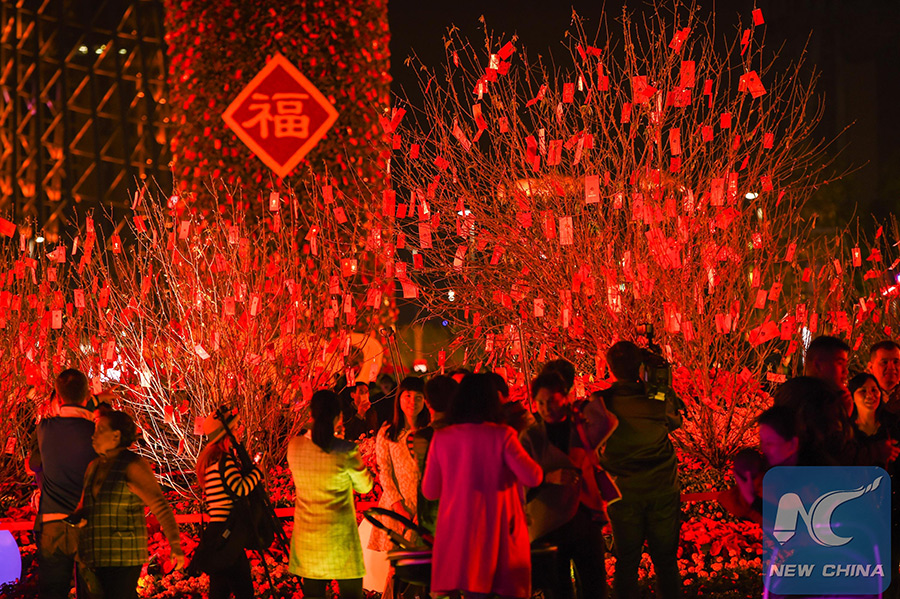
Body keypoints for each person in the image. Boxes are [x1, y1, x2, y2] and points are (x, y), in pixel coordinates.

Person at [422, 373, 543, 599]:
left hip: (460, 538)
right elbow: (533, 477)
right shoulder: (503, 435)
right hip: (499, 535)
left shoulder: (442, 437)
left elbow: (430, 491)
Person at [520, 371, 614, 599]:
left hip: (585, 516)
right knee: (558, 590)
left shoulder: (580, 427)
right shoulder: (531, 437)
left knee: (594, 588)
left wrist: (587, 405)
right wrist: (548, 477)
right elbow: (521, 478)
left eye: (552, 401)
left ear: (565, 398)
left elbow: (606, 421)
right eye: (541, 403)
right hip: (549, 523)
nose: (546, 408)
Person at [73, 408, 184, 599]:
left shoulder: (132, 465)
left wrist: (174, 543)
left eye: (100, 430)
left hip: (123, 556)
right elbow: (84, 508)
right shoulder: (94, 466)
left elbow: (159, 504)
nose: (93, 435)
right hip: (94, 555)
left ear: (116, 436)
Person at [601, 341, 681, 599]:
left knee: (626, 560)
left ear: (609, 368)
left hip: (622, 492)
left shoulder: (602, 403)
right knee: (666, 560)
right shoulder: (657, 399)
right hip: (662, 489)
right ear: (640, 367)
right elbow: (675, 420)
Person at [287, 390, 373, 599]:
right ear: (339, 417)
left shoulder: (294, 446)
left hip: (308, 540)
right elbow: (365, 486)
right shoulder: (345, 450)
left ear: (311, 414)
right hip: (340, 539)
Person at [30, 369, 97, 599]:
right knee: (92, 592)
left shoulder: (44, 430)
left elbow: (35, 463)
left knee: (52, 592)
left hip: (52, 524)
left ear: (58, 398)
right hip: (89, 524)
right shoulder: (97, 432)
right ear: (87, 396)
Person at [193, 409, 263, 599]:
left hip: (217, 532)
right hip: (229, 531)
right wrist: (257, 472)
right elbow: (239, 488)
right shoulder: (225, 460)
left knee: (220, 588)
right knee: (243, 588)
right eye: (235, 428)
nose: (238, 431)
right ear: (226, 434)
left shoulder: (211, 461)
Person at [368, 376, 429, 552]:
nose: (412, 402)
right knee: (397, 561)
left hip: (424, 506)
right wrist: (399, 509)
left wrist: (425, 509)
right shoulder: (387, 432)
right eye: (408, 396)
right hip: (396, 507)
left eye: (418, 397)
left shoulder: (430, 432)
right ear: (399, 398)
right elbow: (385, 472)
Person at [412, 375, 458, 536]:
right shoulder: (466, 432)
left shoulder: (424, 437)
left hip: (433, 511)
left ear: (427, 402)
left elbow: (424, 477)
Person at [803, 335, 852, 415]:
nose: (845, 371)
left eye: (845, 365)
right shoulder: (801, 404)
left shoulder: (832, 402)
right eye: (840, 363)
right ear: (818, 365)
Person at [868, 340, 900, 415]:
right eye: (884, 362)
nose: (891, 367)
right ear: (871, 367)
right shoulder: (861, 398)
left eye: (896, 362)